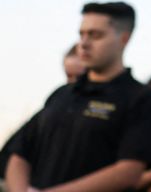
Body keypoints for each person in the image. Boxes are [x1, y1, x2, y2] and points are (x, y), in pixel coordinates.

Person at [4, 2, 151, 192]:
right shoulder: (62, 94)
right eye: (82, 34)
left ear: (124, 38)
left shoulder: (141, 99)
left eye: (96, 35)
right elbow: (19, 153)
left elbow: (129, 172)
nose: (84, 43)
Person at [0, 44, 89, 178]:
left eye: (78, 77)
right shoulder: (59, 99)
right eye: (68, 76)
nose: (72, 84)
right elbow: (17, 149)